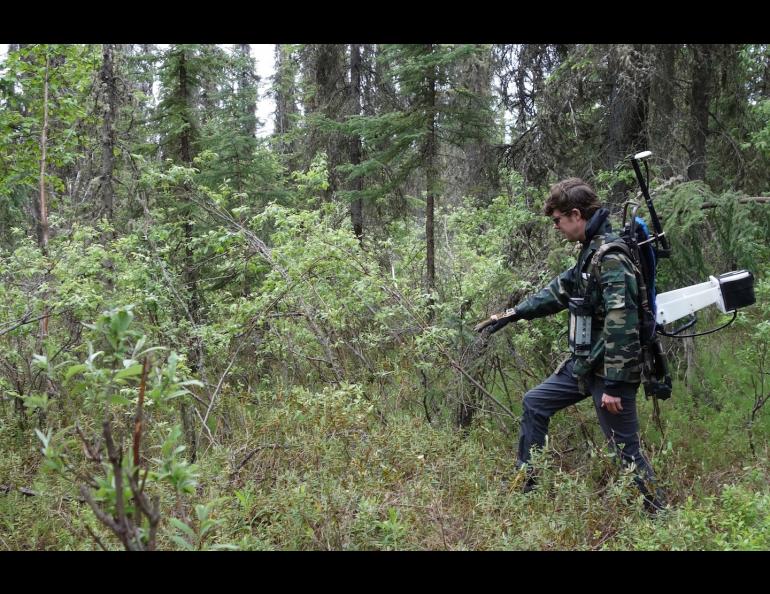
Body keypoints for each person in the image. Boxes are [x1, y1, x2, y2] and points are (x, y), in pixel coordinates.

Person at [481, 177, 665, 512]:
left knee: (625, 450)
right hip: (586, 365)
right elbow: (560, 290)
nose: (556, 228)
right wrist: (512, 313)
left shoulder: (610, 257)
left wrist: (613, 383)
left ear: (576, 214)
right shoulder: (590, 252)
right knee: (535, 402)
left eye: (557, 220)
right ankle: (526, 487)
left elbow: (622, 322)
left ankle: (661, 517)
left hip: (611, 372)